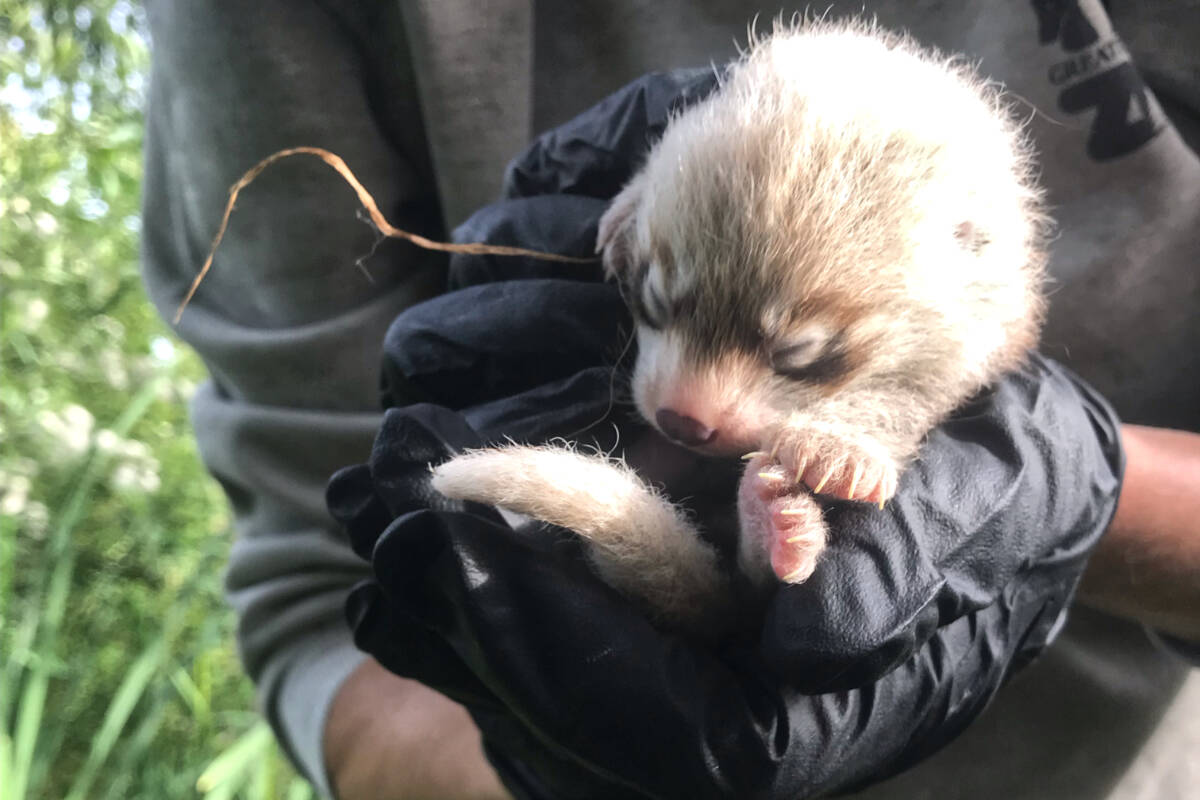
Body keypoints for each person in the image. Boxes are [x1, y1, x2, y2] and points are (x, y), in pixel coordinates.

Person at [140, 1, 1200, 798]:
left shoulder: (965, 255)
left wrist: (1091, 504)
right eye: (658, 304)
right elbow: (314, 588)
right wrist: (532, 754)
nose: (690, 403)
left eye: (796, 351)